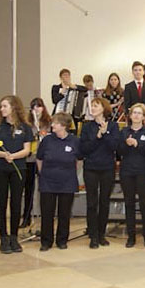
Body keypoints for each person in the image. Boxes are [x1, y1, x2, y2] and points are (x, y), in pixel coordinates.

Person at [0, 95, 32, 254]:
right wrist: (3, 155)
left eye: (5, 106)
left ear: (14, 107)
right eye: (1, 106)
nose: (1, 109)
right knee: (1, 202)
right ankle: (4, 238)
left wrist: (14, 156)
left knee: (16, 202)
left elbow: (27, 150)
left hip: (19, 168)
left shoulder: (25, 127)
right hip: (0, 169)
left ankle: (14, 237)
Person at [36, 113, 81, 251]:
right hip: (48, 181)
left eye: (55, 123)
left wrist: (70, 172)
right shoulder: (47, 140)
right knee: (47, 213)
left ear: (63, 125)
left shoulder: (75, 141)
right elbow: (39, 158)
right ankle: (46, 241)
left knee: (64, 213)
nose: (52, 125)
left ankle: (62, 240)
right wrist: (43, 173)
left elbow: (79, 160)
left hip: (67, 182)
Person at [80, 98, 119, 249]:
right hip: (91, 168)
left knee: (104, 201)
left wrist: (105, 133)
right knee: (91, 202)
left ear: (104, 108)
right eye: (92, 106)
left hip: (107, 168)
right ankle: (93, 235)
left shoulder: (113, 126)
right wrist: (98, 137)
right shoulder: (87, 127)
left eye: (96, 105)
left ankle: (101, 234)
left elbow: (114, 146)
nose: (93, 108)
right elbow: (84, 149)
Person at [118, 104, 145, 248]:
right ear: (130, 115)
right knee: (129, 203)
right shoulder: (124, 131)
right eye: (134, 113)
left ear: (144, 117)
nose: (137, 115)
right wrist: (126, 144)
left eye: (139, 113)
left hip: (143, 171)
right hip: (127, 171)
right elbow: (119, 151)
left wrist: (137, 144)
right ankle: (131, 236)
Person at [21, 98, 51, 229]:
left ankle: (46, 217)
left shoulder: (48, 122)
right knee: (29, 188)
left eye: (39, 106)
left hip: (44, 160)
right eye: (34, 107)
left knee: (44, 189)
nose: (36, 109)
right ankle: (26, 217)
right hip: (30, 160)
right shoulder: (27, 124)